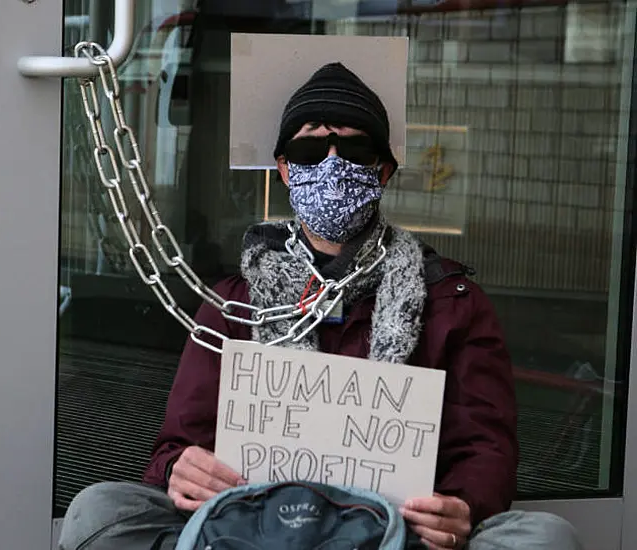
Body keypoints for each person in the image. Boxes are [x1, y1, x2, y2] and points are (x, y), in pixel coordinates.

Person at [58, 62, 583, 550]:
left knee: (544, 537)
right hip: (254, 528)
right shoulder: (236, 302)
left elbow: (485, 447)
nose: (331, 166)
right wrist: (181, 470)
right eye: (310, 152)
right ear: (285, 170)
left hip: (394, 534)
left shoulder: (451, 301)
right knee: (98, 512)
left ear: (382, 171)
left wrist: (462, 505)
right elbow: (179, 442)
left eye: (353, 150)